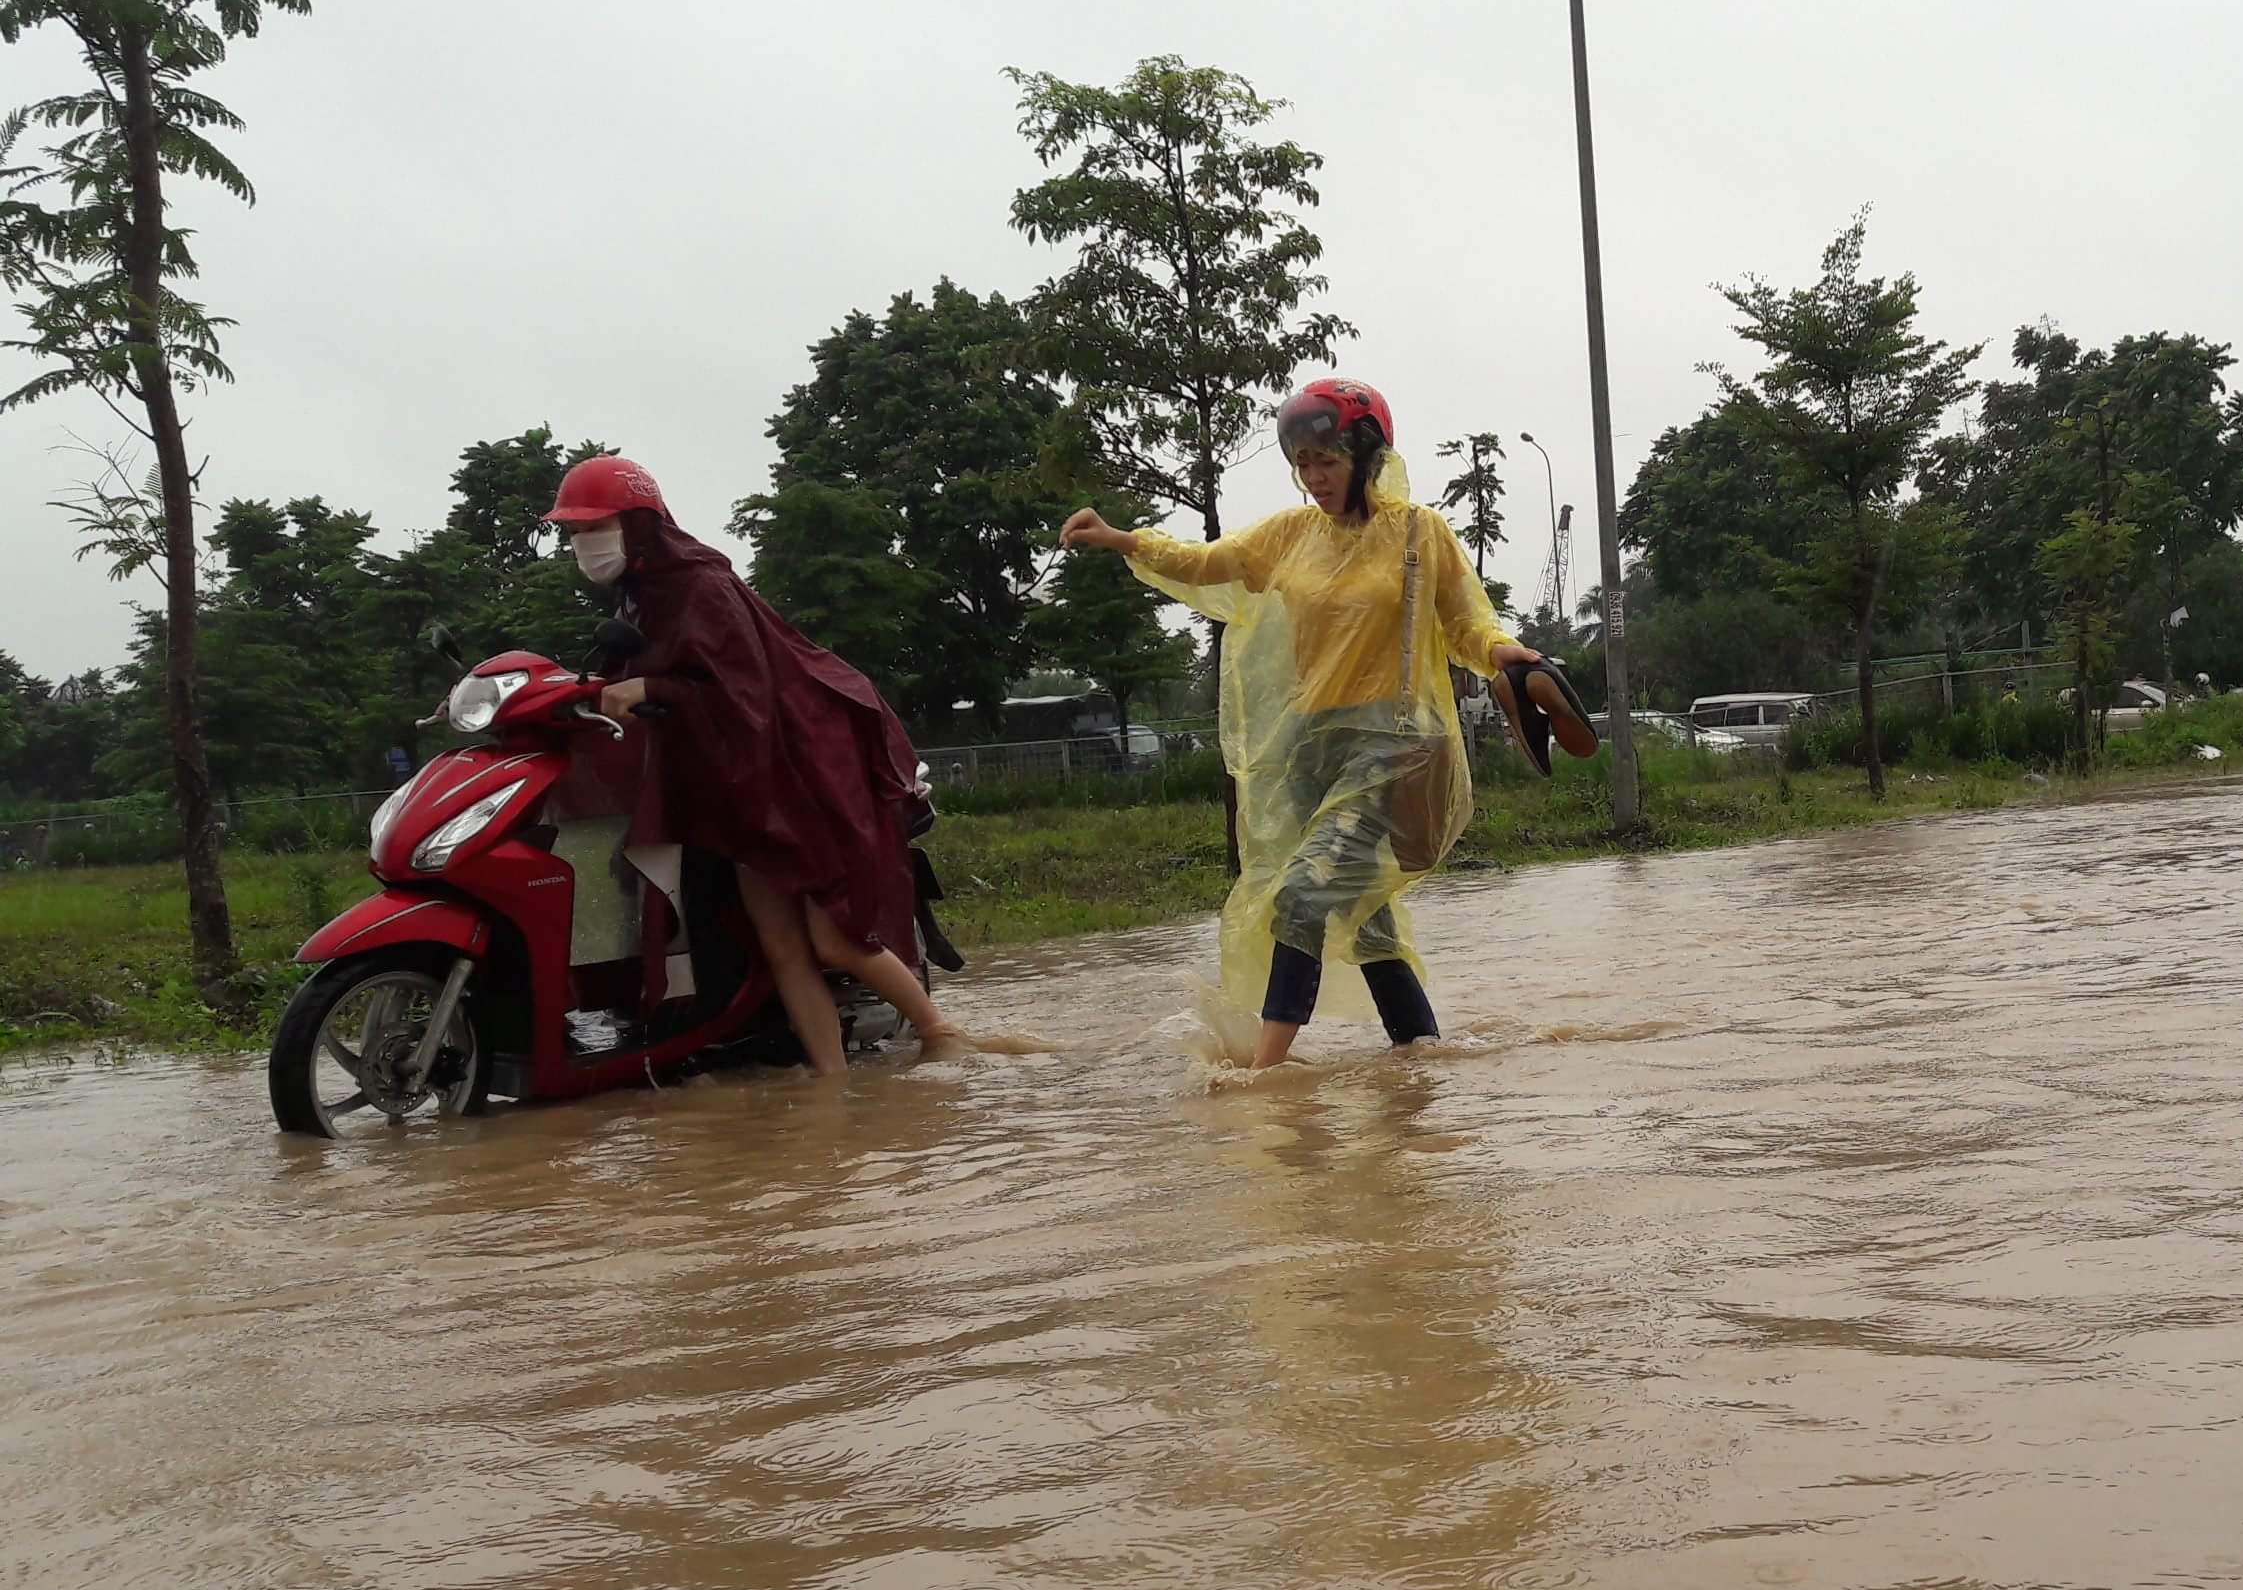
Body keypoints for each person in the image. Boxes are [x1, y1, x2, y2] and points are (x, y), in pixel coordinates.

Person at [1058, 379, 1542, 1068]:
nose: (1314, 477)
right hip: (1315, 748)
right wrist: (1122, 538)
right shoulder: (1291, 535)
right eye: (1304, 463)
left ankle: (1267, 1073)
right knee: (1367, 920)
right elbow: (1208, 563)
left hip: (1396, 741)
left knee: (1304, 892)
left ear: (1367, 454)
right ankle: (1422, 1056)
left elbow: (1465, 620)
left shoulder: (1417, 532)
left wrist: (1504, 653)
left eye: (1328, 460)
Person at [545, 455, 960, 1075]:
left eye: (593, 527)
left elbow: (744, 693)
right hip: (737, 795)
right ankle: (834, 1089)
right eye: (574, 532)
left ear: (638, 524)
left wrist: (652, 690)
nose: (583, 544)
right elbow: (626, 678)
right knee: (783, 949)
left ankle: (940, 1033)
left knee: (831, 940)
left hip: (795, 782)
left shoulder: (701, 586)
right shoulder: (642, 599)